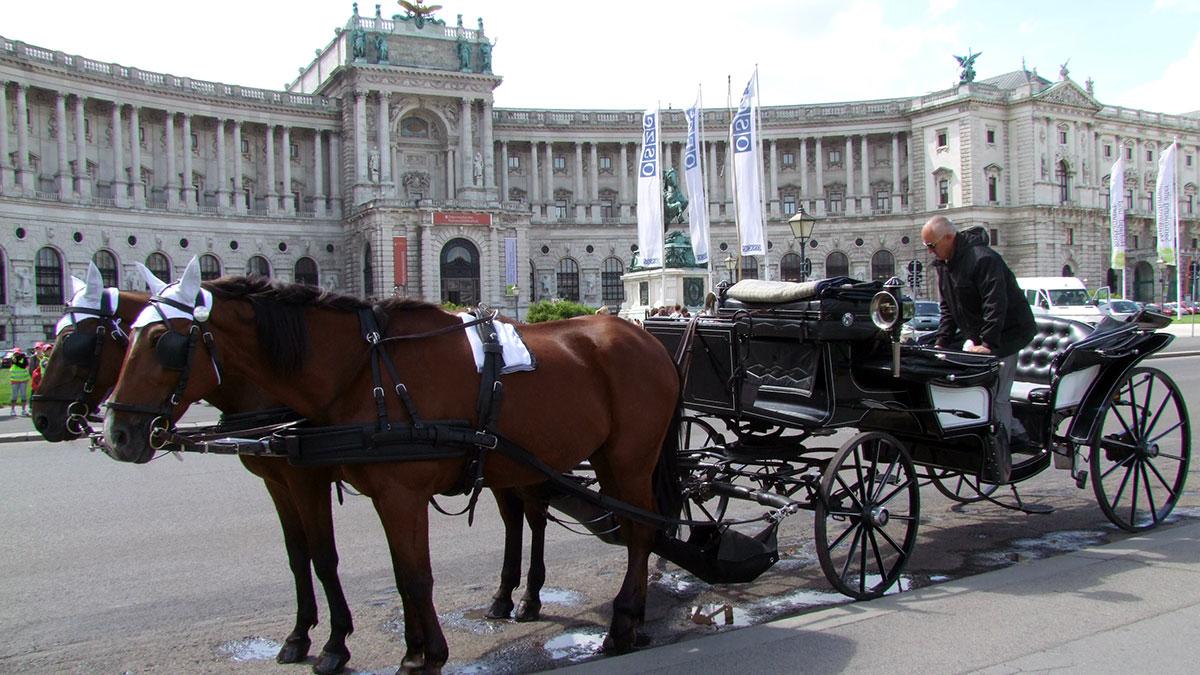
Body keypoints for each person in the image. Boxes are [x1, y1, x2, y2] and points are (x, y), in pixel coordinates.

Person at [922, 215, 1036, 483]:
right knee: (971, 386)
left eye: (932, 245)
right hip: (979, 334)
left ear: (949, 238)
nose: (930, 251)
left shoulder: (983, 259)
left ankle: (1009, 441)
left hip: (1009, 334)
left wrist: (988, 344)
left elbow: (995, 305)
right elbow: (948, 307)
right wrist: (941, 342)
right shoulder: (945, 265)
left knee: (996, 394)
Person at [10, 348, 30, 416]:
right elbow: (16, 363)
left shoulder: (24, 359)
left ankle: (23, 410)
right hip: (15, 380)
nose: (16, 355)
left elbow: (23, 366)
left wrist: (21, 358)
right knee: (14, 396)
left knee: (23, 395)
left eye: (18, 353)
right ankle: (12, 410)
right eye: (15, 353)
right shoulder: (13, 359)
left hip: (23, 380)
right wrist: (20, 358)